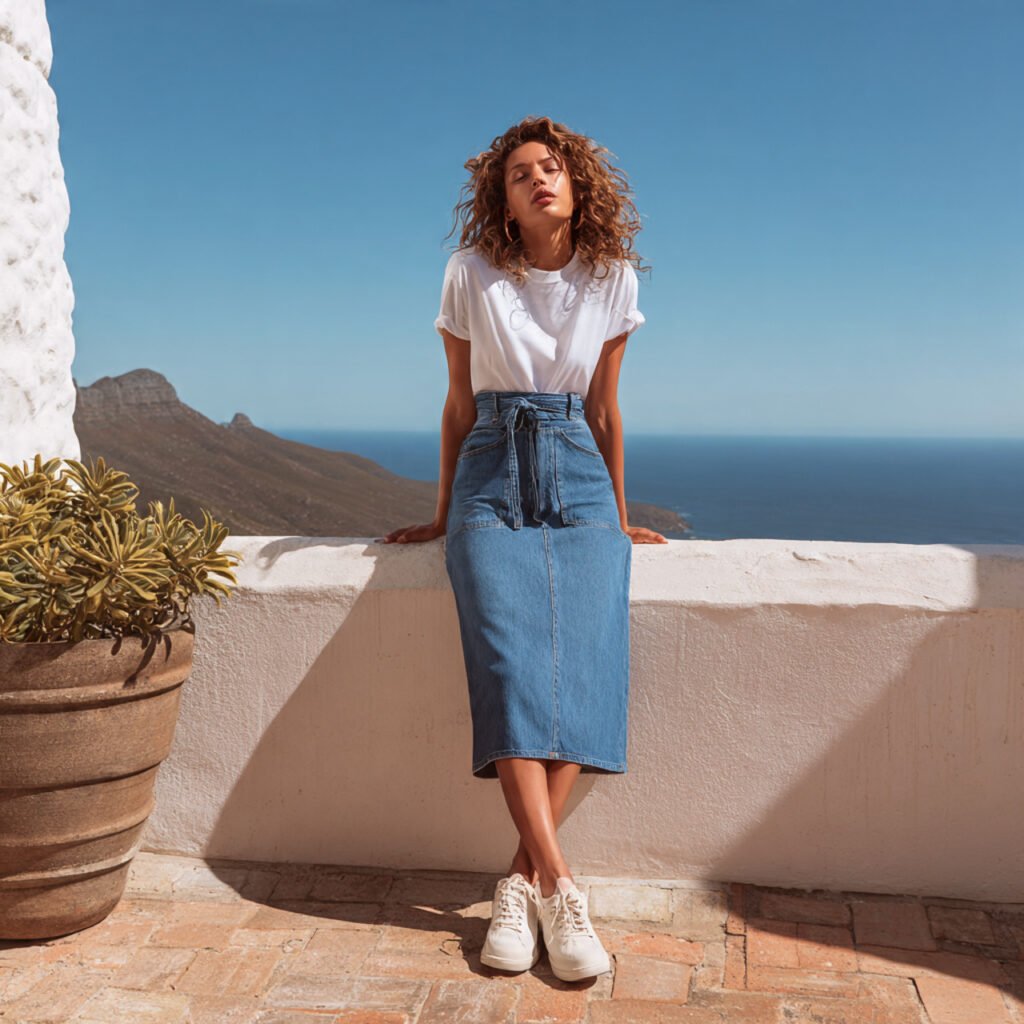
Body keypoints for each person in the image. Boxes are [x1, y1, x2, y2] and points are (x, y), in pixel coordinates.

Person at [380, 115, 667, 982]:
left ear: (578, 185)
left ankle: (519, 882)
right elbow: (459, 405)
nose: (538, 180)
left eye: (551, 168)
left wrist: (615, 516)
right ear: (501, 202)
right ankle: (561, 886)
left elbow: (607, 411)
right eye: (519, 175)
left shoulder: (612, 278)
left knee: (584, 664)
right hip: (492, 467)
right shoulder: (470, 275)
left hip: (577, 470)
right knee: (509, 664)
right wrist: (441, 515)